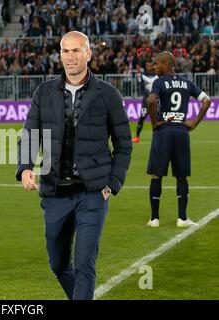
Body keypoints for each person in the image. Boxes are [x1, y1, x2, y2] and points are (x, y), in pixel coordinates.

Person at [16, 31, 132, 300]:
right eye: (65, 51)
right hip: (55, 191)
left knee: (84, 264)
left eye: (76, 51)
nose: (70, 57)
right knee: (58, 264)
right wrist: (24, 167)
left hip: (93, 193)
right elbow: (30, 134)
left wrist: (112, 184)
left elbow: (124, 145)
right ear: (60, 55)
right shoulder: (44, 92)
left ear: (88, 54)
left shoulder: (108, 94)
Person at [146, 51, 211, 228]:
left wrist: (154, 123)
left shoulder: (159, 82)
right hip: (181, 131)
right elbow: (206, 101)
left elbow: (151, 101)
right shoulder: (186, 82)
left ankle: (154, 219)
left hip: (164, 131)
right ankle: (182, 218)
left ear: (167, 64)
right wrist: (195, 123)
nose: (154, 67)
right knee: (181, 176)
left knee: (157, 175)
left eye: (156, 64)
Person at [132, 61, 158, 143]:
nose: (149, 67)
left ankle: (159, 136)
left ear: (153, 66)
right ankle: (137, 137)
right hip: (145, 101)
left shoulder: (157, 76)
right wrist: (146, 96)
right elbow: (141, 88)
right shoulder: (143, 76)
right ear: (146, 66)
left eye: (151, 65)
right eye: (148, 65)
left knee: (157, 119)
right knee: (141, 118)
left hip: (155, 101)